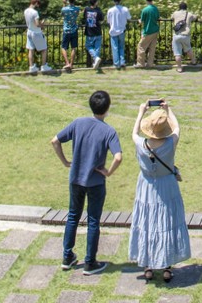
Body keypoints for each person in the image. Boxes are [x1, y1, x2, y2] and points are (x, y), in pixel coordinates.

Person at [52, 88, 122, 274]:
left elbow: (55, 141)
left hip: (76, 179)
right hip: (96, 183)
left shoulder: (78, 123)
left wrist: (66, 161)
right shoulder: (109, 131)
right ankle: (90, 262)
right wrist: (108, 172)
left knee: (73, 216)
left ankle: (67, 256)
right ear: (107, 109)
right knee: (93, 221)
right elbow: (118, 157)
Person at [128, 100, 190, 280]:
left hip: (147, 185)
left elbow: (134, 132)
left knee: (147, 221)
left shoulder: (140, 143)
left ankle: (147, 265)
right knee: (167, 222)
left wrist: (141, 111)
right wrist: (168, 109)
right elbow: (177, 127)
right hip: (167, 185)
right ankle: (166, 266)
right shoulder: (171, 142)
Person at [23, 0, 50, 74]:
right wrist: (43, 24)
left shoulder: (26, 11)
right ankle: (44, 66)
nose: (38, 6)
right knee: (44, 49)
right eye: (38, 4)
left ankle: (31, 67)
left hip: (29, 31)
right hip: (36, 33)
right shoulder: (35, 12)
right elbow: (37, 24)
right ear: (36, 3)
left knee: (31, 50)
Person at [136, 0, 163, 69]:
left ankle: (140, 63)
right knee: (152, 48)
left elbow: (141, 21)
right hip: (155, 30)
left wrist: (139, 21)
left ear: (146, 0)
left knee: (141, 46)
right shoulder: (155, 8)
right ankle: (150, 63)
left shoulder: (145, 10)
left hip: (147, 31)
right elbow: (158, 18)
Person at [107, 0, 132, 70]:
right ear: (120, 0)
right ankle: (122, 62)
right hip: (122, 30)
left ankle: (116, 63)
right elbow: (129, 18)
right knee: (121, 47)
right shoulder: (125, 9)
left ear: (113, 1)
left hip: (113, 31)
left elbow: (108, 21)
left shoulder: (110, 10)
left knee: (115, 48)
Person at [59, 0, 82, 72]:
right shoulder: (77, 9)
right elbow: (77, 15)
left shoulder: (64, 9)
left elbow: (62, 15)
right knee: (73, 47)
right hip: (74, 30)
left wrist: (64, 4)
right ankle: (71, 64)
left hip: (66, 30)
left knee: (63, 47)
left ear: (68, 0)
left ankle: (67, 63)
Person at [171, 1, 196, 71]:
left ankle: (179, 68)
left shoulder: (175, 13)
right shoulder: (189, 14)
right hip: (185, 35)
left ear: (179, 7)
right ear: (186, 7)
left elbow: (172, 17)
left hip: (176, 35)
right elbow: (195, 17)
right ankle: (193, 61)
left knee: (177, 53)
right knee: (188, 49)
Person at [84, 0, 106, 71]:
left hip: (89, 31)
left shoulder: (87, 9)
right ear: (95, 2)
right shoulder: (98, 10)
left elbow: (84, 18)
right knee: (97, 48)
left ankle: (95, 59)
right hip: (98, 31)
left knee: (88, 46)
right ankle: (96, 60)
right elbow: (102, 19)